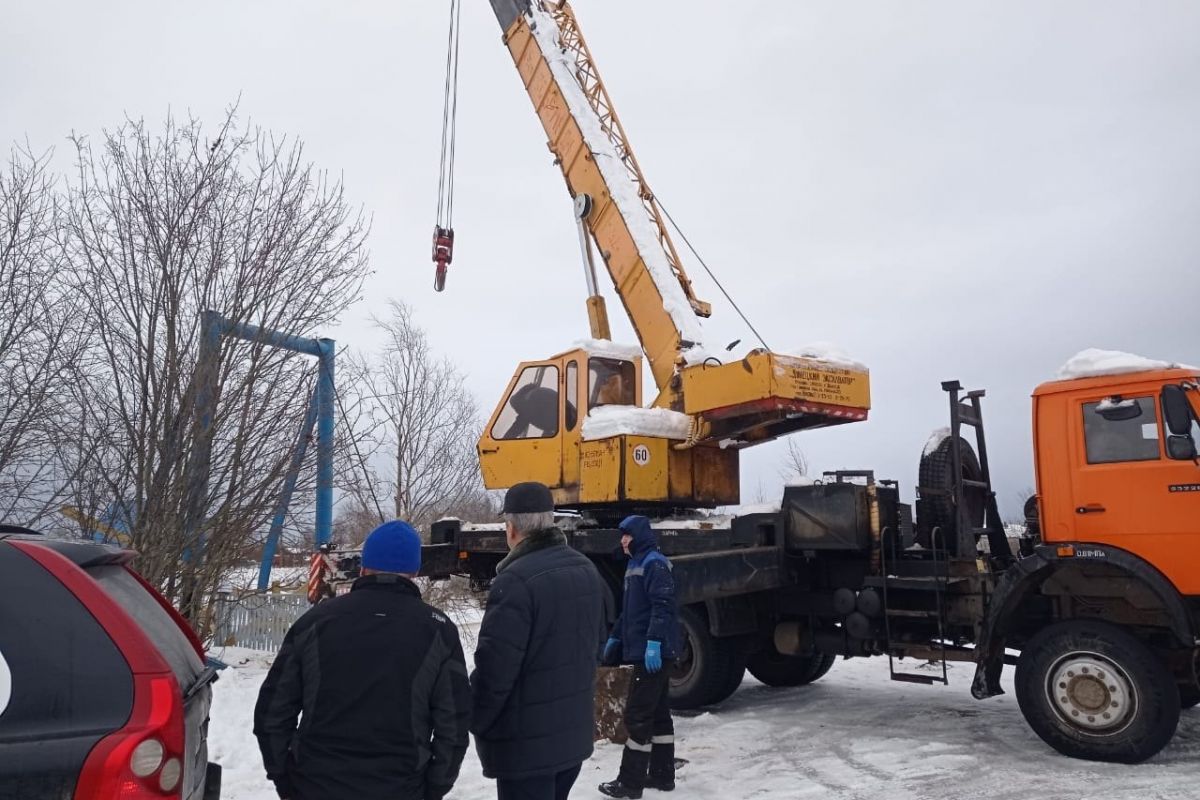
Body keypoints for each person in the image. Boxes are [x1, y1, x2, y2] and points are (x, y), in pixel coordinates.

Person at [254, 520, 470, 800]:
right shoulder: (439, 631)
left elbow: (272, 713)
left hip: (315, 785)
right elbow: (453, 726)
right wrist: (433, 788)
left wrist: (285, 778)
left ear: (363, 566)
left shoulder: (315, 622)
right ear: (415, 571)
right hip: (401, 787)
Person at [471, 481, 611, 800]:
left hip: (526, 751)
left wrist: (476, 719)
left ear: (511, 529)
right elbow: (597, 646)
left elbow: (495, 671)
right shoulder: (585, 569)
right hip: (571, 741)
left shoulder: (515, 581)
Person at [598, 515, 681, 799]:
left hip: (653, 653)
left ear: (639, 537)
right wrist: (616, 637)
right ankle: (661, 776)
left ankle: (629, 784)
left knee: (637, 715)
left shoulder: (654, 563)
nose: (622, 540)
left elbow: (663, 606)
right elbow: (631, 611)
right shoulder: (635, 565)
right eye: (622, 535)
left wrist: (654, 643)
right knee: (658, 714)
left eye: (627, 536)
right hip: (643, 651)